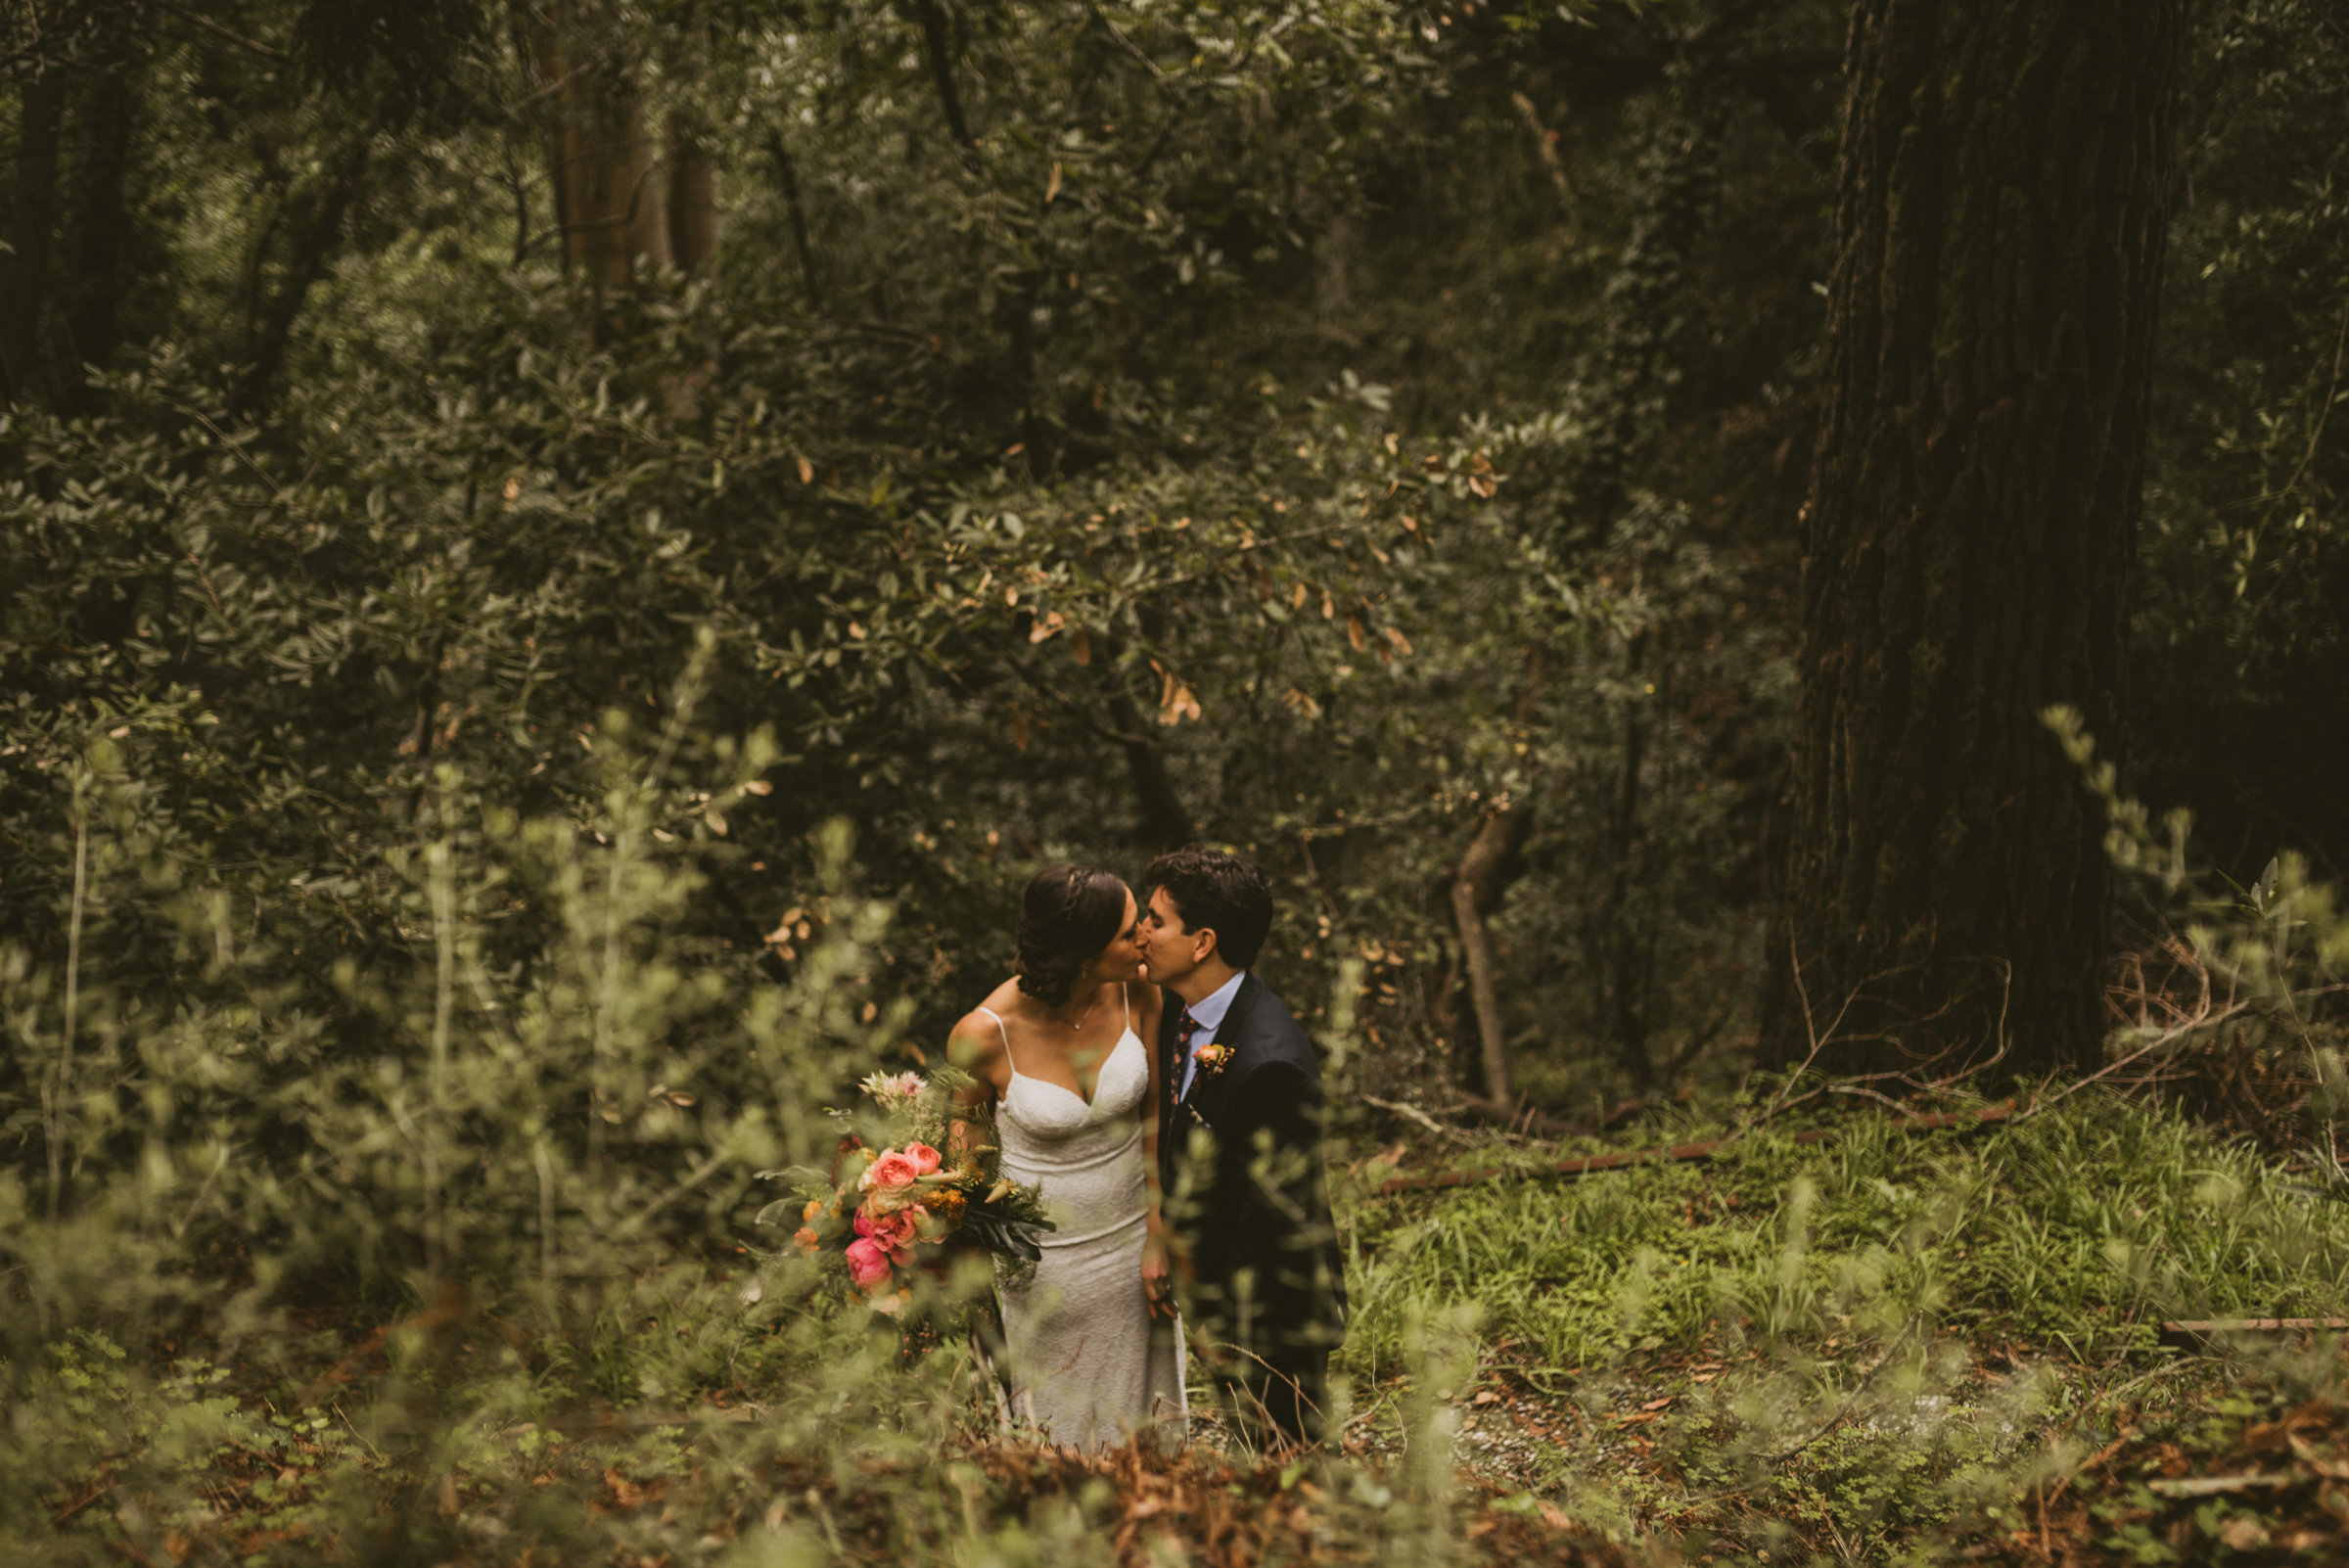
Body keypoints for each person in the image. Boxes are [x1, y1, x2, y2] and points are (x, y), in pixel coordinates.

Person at [945, 863, 1185, 1450]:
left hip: (1135, 1248)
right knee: (1059, 1427)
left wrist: (1160, 1226)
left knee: (1149, 1425)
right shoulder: (982, 1035)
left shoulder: (1140, 989)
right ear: (1082, 954)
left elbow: (1156, 1110)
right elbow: (966, 1159)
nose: (1145, 939)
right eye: (1130, 932)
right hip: (1041, 1269)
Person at [1138, 848, 1347, 1449]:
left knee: (1289, 1461)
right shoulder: (1186, 1010)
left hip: (1272, 1313)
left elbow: (1273, 1219)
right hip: (1227, 1291)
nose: (1142, 933)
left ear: (1202, 942)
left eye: (1156, 920)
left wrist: (1223, 1319)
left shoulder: (1270, 1061)